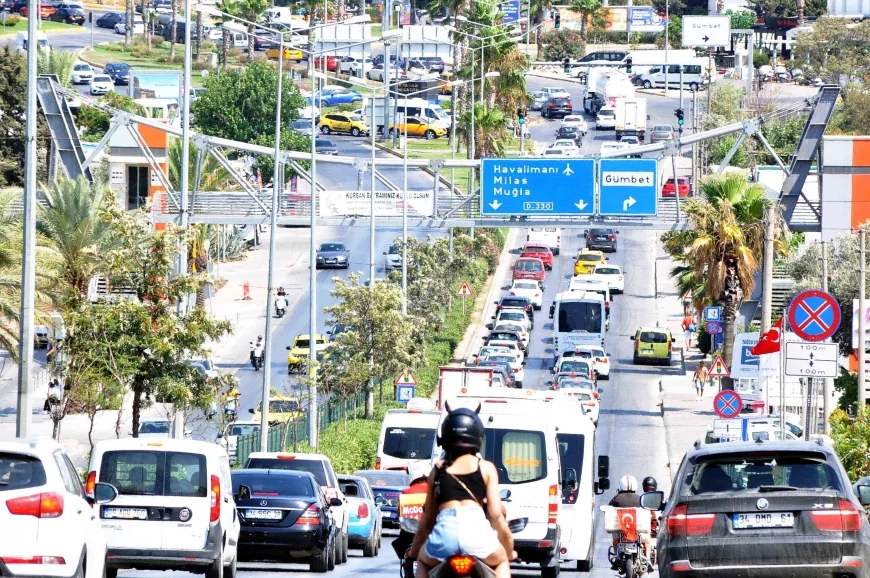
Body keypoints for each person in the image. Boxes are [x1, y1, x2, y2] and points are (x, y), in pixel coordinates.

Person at [407, 405, 516, 578]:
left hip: (444, 538)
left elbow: (427, 521)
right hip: (478, 537)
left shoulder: (437, 469)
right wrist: (509, 551)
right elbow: (496, 515)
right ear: (478, 435)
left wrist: (412, 554)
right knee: (502, 561)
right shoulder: (486, 468)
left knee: (422, 561)